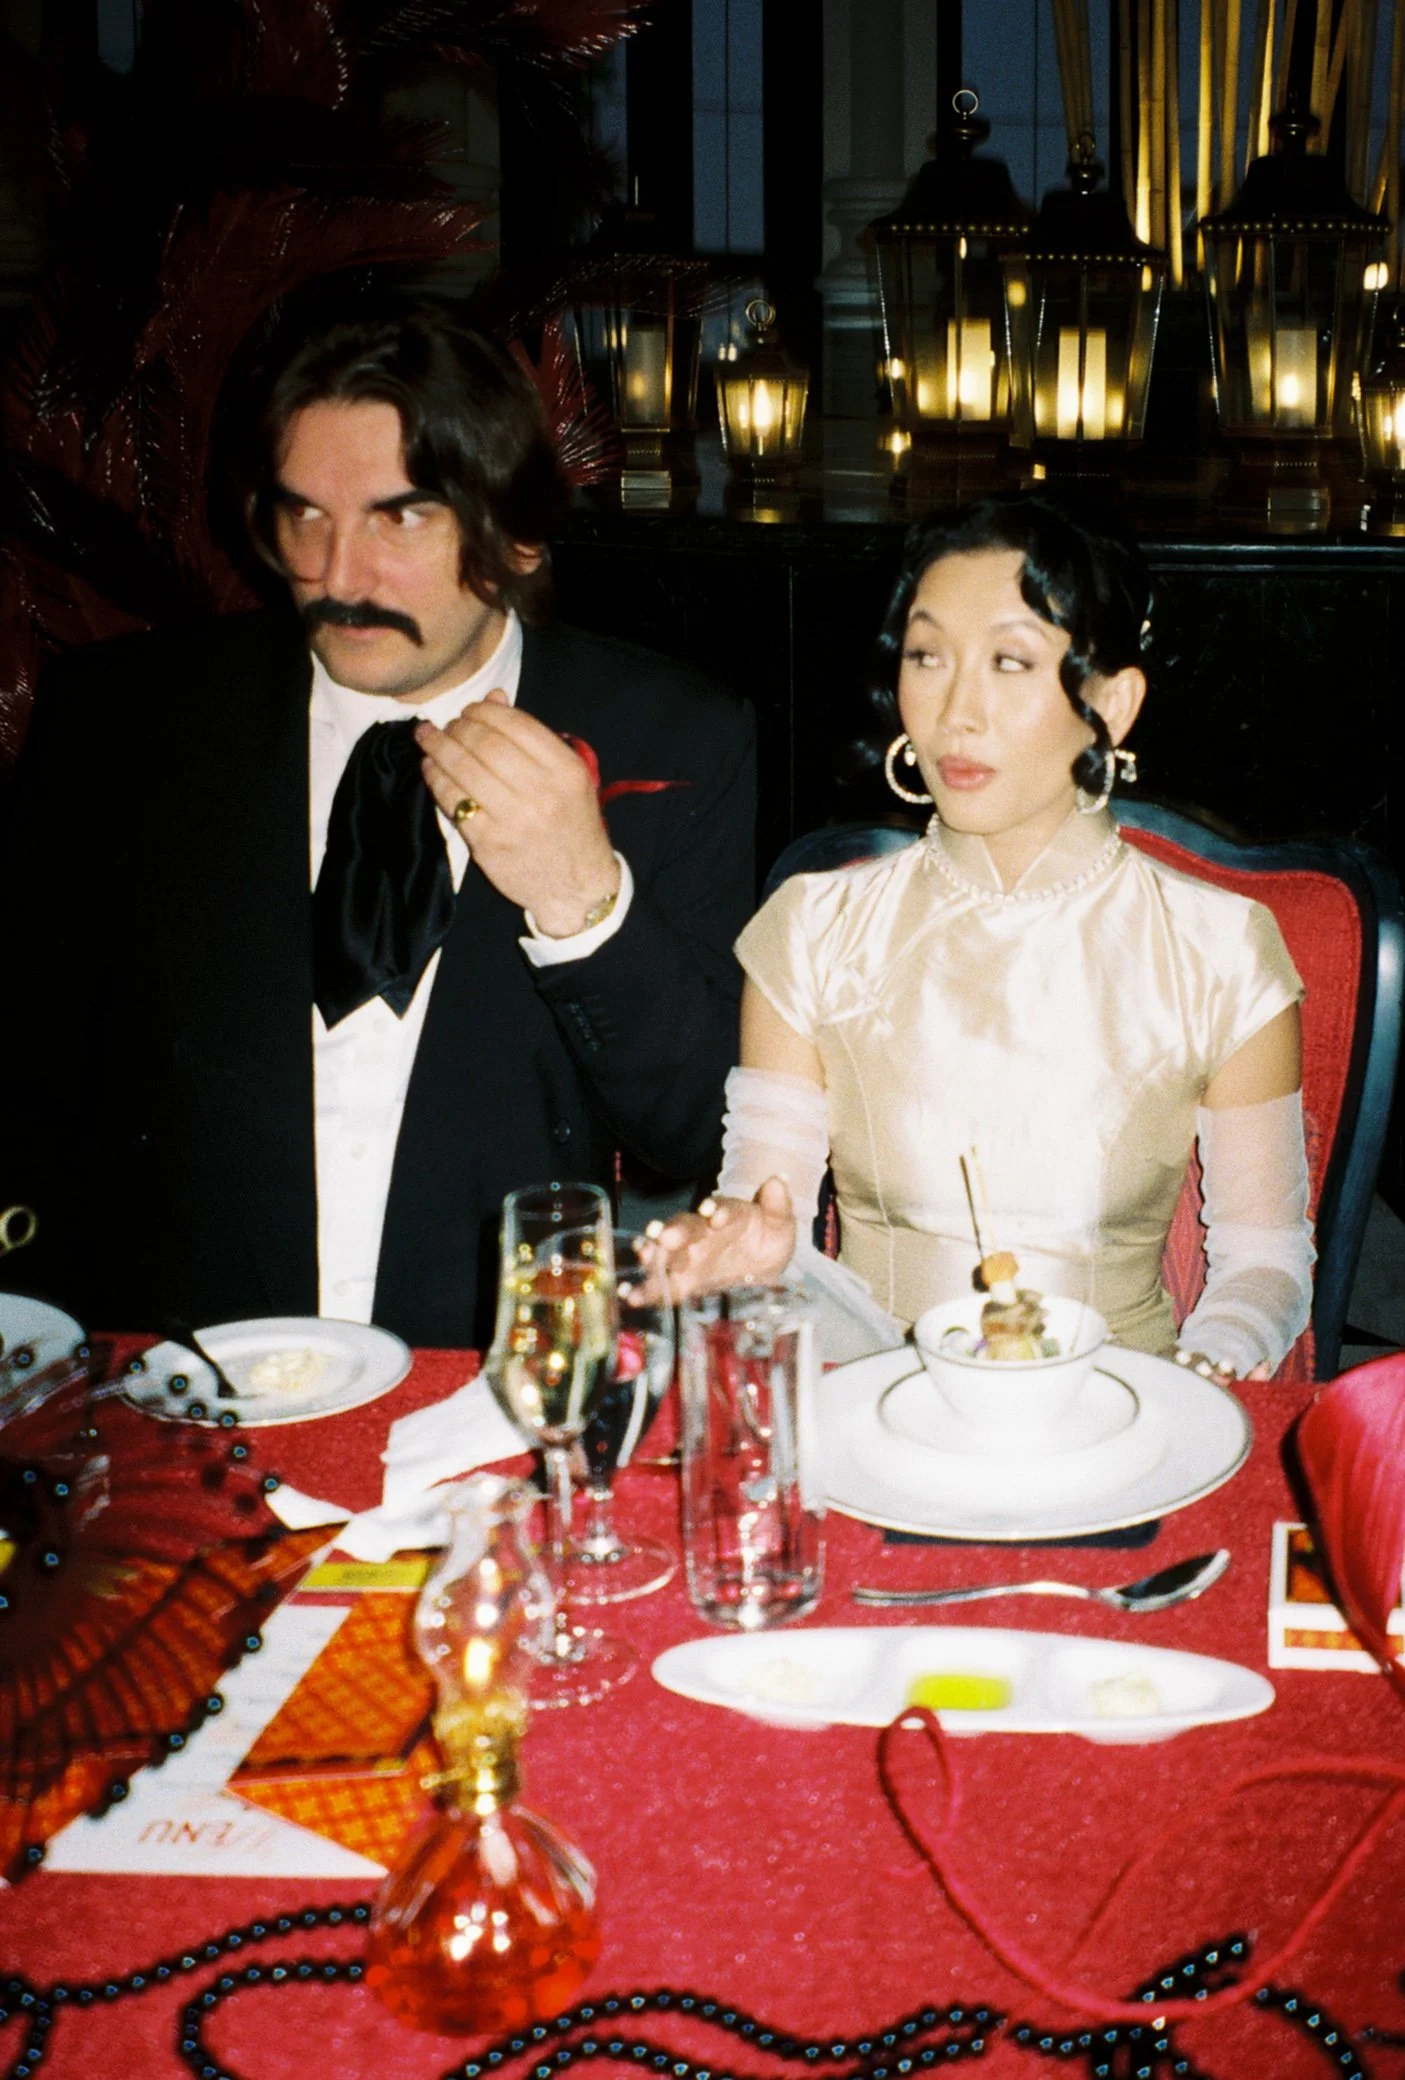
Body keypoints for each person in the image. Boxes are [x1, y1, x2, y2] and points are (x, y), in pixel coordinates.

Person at [0, 295, 755, 1347]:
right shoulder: (125, 724)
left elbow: (702, 1133)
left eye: (399, 516)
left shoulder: (672, 736)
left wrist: (586, 902)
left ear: (518, 535)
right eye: (304, 513)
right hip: (186, 1396)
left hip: (490, 1397)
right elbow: (27, 1089)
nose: (337, 574)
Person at [651, 495, 1313, 1381]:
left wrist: (1211, 1365)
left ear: (1110, 704)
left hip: (1122, 1417)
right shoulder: (813, 932)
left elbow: (1265, 1260)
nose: (954, 712)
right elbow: (760, 1217)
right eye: (926, 657)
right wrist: (739, 1246)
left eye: (1009, 661)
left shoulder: (1220, 951)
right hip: (872, 1413)